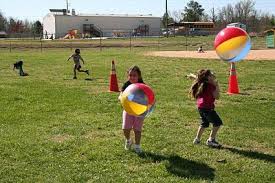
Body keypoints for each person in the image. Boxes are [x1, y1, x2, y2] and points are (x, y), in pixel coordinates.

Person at [190, 69, 223, 148]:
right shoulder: (211, 86)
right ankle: (211, 140)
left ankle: (197, 139)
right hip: (208, 108)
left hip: (201, 107)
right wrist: (216, 86)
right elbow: (217, 97)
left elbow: (199, 79)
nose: (213, 75)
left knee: (204, 123)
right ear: (208, 78)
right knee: (217, 123)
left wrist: (193, 76)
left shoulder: (202, 83)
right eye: (211, 75)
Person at [118, 66, 145, 153]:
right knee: (125, 128)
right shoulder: (127, 84)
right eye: (130, 75)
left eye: (135, 75)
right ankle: (128, 140)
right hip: (128, 110)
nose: (132, 77)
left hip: (139, 111)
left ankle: (137, 146)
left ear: (139, 76)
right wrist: (120, 97)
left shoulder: (142, 85)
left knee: (137, 129)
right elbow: (122, 93)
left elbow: (146, 97)